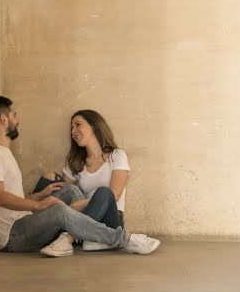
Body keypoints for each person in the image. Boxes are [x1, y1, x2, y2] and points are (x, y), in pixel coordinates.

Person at [0, 95, 159, 257]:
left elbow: (10, 195)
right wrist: (38, 204)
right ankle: (125, 239)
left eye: (78, 125)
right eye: (14, 115)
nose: (17, 120)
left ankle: (73, 237)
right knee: (60, 208)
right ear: (4, 119)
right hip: (11, 236)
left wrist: (38, 196)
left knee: (70, 190)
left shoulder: (2, 152)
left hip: (26, 221)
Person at [45, 109, 160, 254]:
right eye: (71, 128)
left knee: (104, 193)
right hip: (89, 218)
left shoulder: (117, 156)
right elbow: (64, 189)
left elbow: (115, 195)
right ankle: (91, 239)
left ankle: (68, 239)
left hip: (112, 220)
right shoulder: (76, 161)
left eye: (78, 125)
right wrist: (46, 186)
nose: (73, 131)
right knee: (49, 179)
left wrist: (79, 205)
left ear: (94, 125)